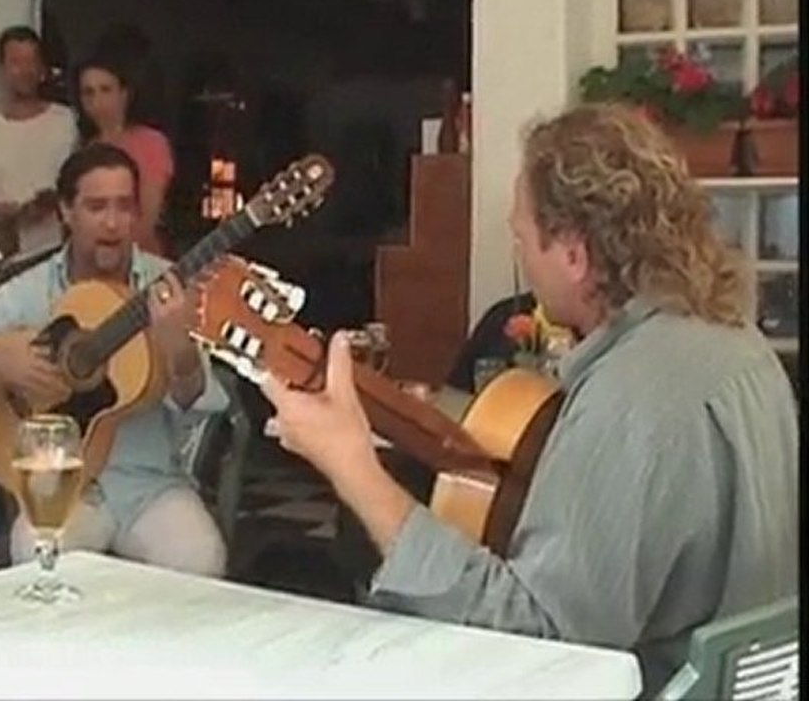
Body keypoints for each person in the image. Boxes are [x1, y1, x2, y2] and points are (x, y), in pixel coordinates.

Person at [260, 103, 798, 697]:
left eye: (522, 239)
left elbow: (541, 642)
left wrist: (353, 468)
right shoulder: (739, 343)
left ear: (573, 254)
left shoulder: (632, 395)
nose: (521, 260)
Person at [0, 143, 228, 577]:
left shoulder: (168, 289)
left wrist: (180, 352)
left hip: (150, 484)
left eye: (124, 206)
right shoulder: (27, 293)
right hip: (61, 485)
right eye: (96, 207)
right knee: (38, 556)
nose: (112, 222)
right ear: (66, 211)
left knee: (201, 559)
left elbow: (194, 398)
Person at [0, 25, 78, 259]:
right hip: (10, 258)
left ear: (42, 68)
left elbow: (81, 183)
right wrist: (15, 213)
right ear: (2, 69)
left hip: (62, 252)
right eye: (16, 62)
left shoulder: (67, 120)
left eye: (31, 61)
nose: (25, 70)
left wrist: (51, 201)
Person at [75, 54, 174, 257]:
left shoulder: (150, 143)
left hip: (140, 260)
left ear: (124, 94)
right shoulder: (84, 148)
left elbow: (147, 218)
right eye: (88, 92)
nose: (96, 100)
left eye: (105, 90)